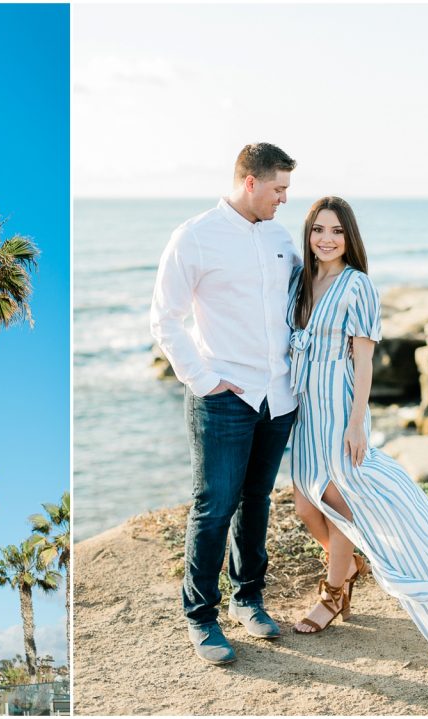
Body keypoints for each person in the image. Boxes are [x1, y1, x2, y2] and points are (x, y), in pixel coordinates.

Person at [287, 196, 428, 655]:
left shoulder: (357, 286)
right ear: (308, 234)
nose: (326, 239)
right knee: (306, 508)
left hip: (339, 408)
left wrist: (356, 423)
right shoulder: (301, 281)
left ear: (349, 237)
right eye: (318, 230)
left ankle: (333, 593)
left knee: (338, 502)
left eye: (336, 231)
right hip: (304, 409)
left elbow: (364, 361)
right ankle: (347, 566)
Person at [150, 142, 301, 665]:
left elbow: (302, 304)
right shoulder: (193, 236)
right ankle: (201, 617)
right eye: (279, 189)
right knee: (214, 506)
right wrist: (203, 380)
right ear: (250, 182)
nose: (284, 199)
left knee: (257, 500)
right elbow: (164, 318)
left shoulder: (282, 237)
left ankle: (248, 598)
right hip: (224, 397)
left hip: (279, 396)